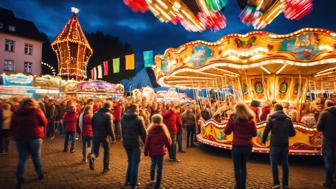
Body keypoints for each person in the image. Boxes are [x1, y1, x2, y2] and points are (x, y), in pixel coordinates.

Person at [11, 98, 48, 189]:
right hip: (35, 137)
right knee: (36, 156)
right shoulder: (36, 111)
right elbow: (44, 122)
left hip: (20, 137)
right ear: (33, 103)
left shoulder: (16, 112)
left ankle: (20, 176)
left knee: (22, 157)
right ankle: (39, 173)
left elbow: (12, 125)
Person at [262, 103, 296, 189]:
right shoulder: (288, 119)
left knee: (274, 164)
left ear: (275, 109)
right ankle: (285, 184)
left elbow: (266, 131)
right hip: (284, 144)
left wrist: (263, 140)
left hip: (274, 144)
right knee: (285, 163)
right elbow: (292, 133)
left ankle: (276, 183)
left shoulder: (272, 118)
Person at [224, 103, 257, 189]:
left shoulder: (233, 119)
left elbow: (227, 131)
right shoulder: (250, 120)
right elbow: (254, 134)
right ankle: (243, 185)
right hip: (247, 146)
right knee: (243, 166)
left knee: (237, 167)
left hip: (237, 146)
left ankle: (238, 185)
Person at [121, 104, 146, 189]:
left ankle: (127, 180)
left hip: (126, 142)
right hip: (135, 142)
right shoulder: (139, 119)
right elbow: (143, 133)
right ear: (136, 109)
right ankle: (133, 183)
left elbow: (122, 131)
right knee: (135, 163)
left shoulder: (123, 118)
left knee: (130, 161)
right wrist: (146, 142)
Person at [144, 114, 171, 189]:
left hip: (152, 151)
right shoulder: (163, 129)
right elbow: (167, 141)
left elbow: (147, 142)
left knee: (152, 165)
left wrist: (145, 151)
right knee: (159, 168)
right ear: (161, 120)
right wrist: (169, 149)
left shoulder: (150, 130)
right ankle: (158, 185)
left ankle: (152, 180)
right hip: (161, 152)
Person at [89, 102, 114, 173]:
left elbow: (92, 124)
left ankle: (92, 157)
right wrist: (113, 137)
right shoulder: (108, 115)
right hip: (104, 136)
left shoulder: (95, 113)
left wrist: (94, 132)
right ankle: (105, 167)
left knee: (95, 151)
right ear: (109, 107)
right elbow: (110, 128)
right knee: (106, 151)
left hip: (96, 134)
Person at [317, 100, 336, 188]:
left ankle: (329, 182)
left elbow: (319, 127)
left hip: (328, 139)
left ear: (326, 105)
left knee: (329, 160)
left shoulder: (324, 113)